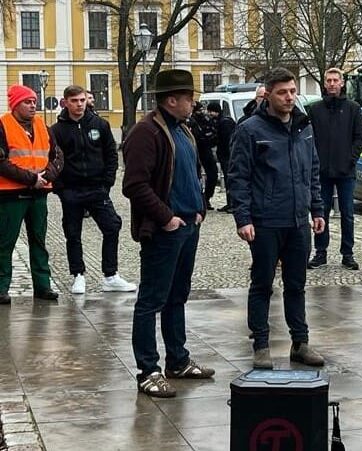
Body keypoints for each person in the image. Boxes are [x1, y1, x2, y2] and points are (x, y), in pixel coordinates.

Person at [122, 69, 214, 398]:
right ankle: (148, 369)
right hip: (166, 230)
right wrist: (166, 218)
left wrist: (200, 207)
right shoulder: (146, 133)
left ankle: (178, 360)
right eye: (189, 98)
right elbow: (133, 185)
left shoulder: (183, 130)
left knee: (177, 297)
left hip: (189, 226)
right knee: (151, 300)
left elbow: (194, 174)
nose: (193, 103)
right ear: (171, 100)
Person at [228, 67, 326, 369]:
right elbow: (238, 177)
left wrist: (317, 209)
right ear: (268, 94)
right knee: (262, 284)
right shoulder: (250, 130)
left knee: (296, 284)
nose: (289, 97)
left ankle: (300, 342)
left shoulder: (304, 126)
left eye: (293, 91)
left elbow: (312, 170)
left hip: (298, 221)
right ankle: (260, 344)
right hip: (266, 220)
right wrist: (242, 218)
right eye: (282, 92)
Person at [51, 85, 136, 295]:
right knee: (73, 233)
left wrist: (107, 183)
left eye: (82, 100)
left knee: (112, 226)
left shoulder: (100, 124)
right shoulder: (57, 130)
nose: (79, 104)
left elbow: (111, 154)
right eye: (74, 101)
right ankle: (78, 274)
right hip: (71, 190)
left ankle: (110, 275)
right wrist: (61, 189)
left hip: (97, 188)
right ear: (66, 102)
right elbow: (52, 159)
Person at [0, 85, 64, 305]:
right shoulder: (3, 125)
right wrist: (31, 179)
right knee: (5, 243)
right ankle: (1, 288)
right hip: (11, 195)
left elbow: (57, 156)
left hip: (39, 194)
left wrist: (47, 176)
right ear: (16, 105)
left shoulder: (42, 126)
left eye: (34, 101)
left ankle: (43, 285)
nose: (33, 105)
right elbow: (1, 162)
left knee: (39, 241)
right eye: (27, 102)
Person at [306, 67, 362, 270]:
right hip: (321, 171)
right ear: (324, 83)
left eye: (335, 80)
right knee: (320, 212)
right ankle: (320, 252)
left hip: (345, 170)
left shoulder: (353, 108)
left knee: (348, 214)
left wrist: (350, 159)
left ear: (342, 83)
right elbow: (309, 138)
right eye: (329, 80)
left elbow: (360, 137)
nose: (332, 84)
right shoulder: (315, 110)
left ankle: (347, 253)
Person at [208, 102, 237, 213]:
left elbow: (226, 141)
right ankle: (229, 203)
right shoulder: (222, 121)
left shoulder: (224, 123)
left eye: (211, 111)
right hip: (225, 156)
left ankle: (232, 204)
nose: (209, 113)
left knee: (230, 179)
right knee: (227, 178)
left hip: (228, 156)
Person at [190, 103, 219, 210]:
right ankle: (197, 199)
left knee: (213, 174)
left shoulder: (206, 119)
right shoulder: (190, 121)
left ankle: (206, 198)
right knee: (194, 176)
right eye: (199, 110)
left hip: (205, 149)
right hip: (195, 149)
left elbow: (213, 133)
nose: (201, 112)